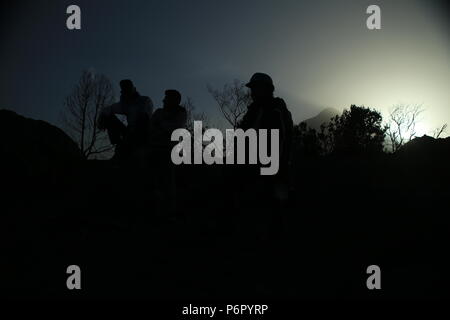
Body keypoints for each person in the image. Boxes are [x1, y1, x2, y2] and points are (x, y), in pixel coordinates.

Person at [238, 72, 294, 240]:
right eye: (252, 88)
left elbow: (284, 137)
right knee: (254, 207)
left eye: (256, 88)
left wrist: (280, 165)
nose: (252, 92)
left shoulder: (277, 108)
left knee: (273, 208)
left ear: (267, 89)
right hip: (250, 167)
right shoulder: (252, 111)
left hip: (272, 167)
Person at [148, 90, 187, 215]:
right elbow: (150, 127)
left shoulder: (181, 112)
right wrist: (162, 128)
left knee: (168, 183)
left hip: (170, 151)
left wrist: (161, 125)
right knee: (155, 182)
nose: (163, 101)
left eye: (167, 98)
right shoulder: (159, 112)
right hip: (155, 148)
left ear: (174, 101)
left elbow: (175, 128)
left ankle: (170, 212)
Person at [98, 79, 153, 165]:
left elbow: (143, 120)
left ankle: (128, 148)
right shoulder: (125, 104)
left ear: (132, 89)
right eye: (124, 90)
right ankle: (120, 145)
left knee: (140, 125)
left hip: (143, 133)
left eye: (127, 89)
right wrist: (101, 119)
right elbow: (108, 110)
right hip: (129, 133)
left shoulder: (145, 100)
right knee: (109, 116)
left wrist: (131, 137)